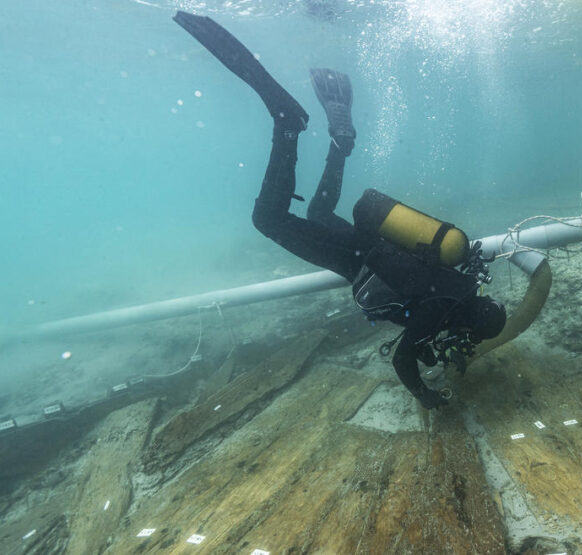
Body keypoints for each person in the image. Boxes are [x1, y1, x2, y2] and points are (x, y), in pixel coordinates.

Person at [173, 12, 506, 409]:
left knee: (317, 210)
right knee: (268, 220)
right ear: (469, 323)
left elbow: (419, 310)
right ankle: (288, 124)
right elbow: (402, 359)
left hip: (369, 244)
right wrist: (425, 395)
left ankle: (340, 145)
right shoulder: (441, 312)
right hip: (352, 257)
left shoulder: (463, 285)